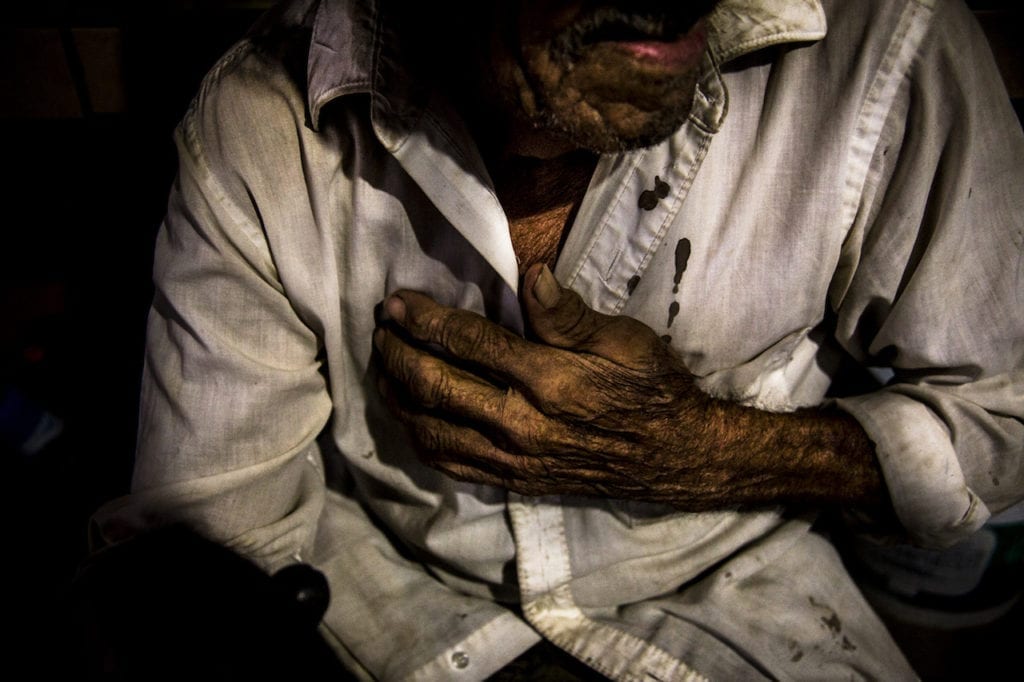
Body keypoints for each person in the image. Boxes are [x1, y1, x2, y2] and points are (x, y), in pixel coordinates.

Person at [92, 0, 1023, 678]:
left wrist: (709, 452)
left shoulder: (889, 43)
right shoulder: (266, 122)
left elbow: (1006, 417)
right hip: (386, 612)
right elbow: (219, 535)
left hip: (753, 617)